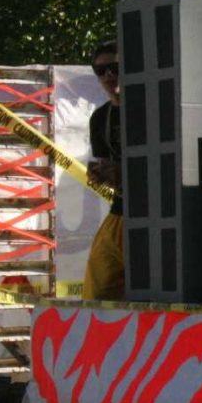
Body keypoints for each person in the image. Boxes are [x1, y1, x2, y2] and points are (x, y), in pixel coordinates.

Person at [85, 39, 125, 300]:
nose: (108, 75)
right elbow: (109, 178)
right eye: (101, 71)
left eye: (115, 67)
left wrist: (122, 173)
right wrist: (100, 176)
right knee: (96, 290)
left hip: (157, 215)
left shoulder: (152, 108)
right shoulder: (100, 117)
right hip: (120, 212)